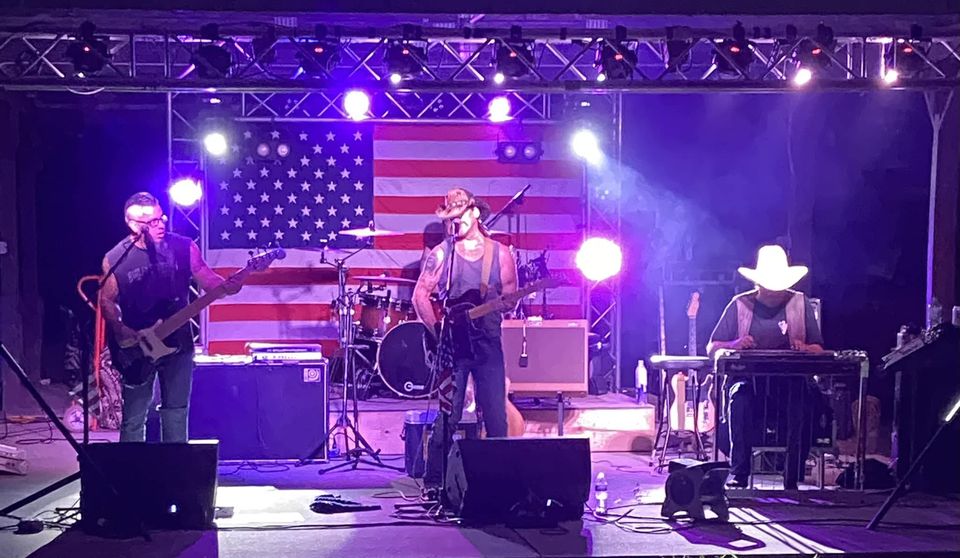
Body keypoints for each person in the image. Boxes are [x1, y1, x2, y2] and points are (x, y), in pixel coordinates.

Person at [100, 192, 240, 443]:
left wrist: (226, 285)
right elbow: (106, 299)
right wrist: (121, 330)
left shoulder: (184, 247)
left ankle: (176, 472)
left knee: (176, 412)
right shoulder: (115, 258)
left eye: (160, 217)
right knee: (134, 417)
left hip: (179, 343)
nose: (161, 224)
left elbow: (206, 277)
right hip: (137, 348)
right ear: (133, 226)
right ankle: (129, 474)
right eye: (151, 222)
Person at [413, 188, 518, 489]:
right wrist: (435, 332)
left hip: (487, 343)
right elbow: (421, 294)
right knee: (449, 414)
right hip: (452, 345)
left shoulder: (500, 253)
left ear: (474, 213)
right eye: (450, 218)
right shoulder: (442, 253)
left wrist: (499, 305)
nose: (454, 222)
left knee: (495, 415)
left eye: (459, 216)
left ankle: (501, 482)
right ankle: (434, 481)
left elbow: (511, 297)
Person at [706, 245, 824, 489]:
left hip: (789, 382)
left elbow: (819, 349)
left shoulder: (800, 303)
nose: (774, 293)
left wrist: (804, 347)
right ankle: (739, 471)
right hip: (750, 382)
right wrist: (735, 344)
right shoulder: (739, 305)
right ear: (758, 284)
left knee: (801, 400)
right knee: (739, 397)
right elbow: (712, 348)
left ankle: (792, 474)